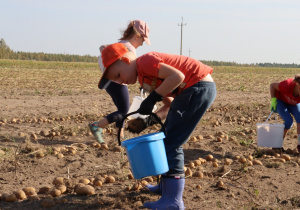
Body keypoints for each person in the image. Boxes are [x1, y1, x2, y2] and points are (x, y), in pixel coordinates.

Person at [99, 43, 217, 210]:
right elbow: (169, 106)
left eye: (118, 75)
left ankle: (173, 200)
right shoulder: (144, 78)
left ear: (125, 60)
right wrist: (148, 121)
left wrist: (153, 98)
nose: (120, 81)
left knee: (171, 142)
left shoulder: (144, 63)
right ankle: (166, 187)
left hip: (197, 88)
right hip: (193, 89)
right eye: (116, 80)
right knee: (165, 137)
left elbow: (178, 77)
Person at [89, 20, 151, 143]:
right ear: (137, 36)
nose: (142, 44)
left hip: (109, 81)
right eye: (142, 40)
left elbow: (102, 47)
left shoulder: (120, 44)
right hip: (118, 83)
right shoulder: (129, 49)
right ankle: (97, 126)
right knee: (124, 110)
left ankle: (120, 135)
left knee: (121, 108)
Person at [270, 75, 300, 153]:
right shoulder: (287, 85)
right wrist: (273, 100)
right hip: (281, 100)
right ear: (298, 85)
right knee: (288, 121)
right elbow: (272, 85)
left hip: (292, 103)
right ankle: (276, 145)